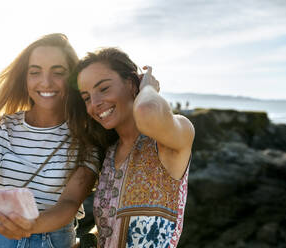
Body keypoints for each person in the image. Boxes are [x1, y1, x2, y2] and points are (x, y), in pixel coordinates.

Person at [0, 33, 99, 248]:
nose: (46, 82)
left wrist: (31, 226)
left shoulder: (87, 137)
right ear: (25, 78)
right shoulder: (4, 126)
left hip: (52, 241)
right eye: (35, 72)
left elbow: (69, 203)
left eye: (58, 72)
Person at [67, 48, 195, 247]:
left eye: (103, 88)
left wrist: (148, 88)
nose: (95, 103)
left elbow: (147, 111)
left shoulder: (171, 139)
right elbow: (111, 224)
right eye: (86, 97)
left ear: (130, 83)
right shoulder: (109, 153)